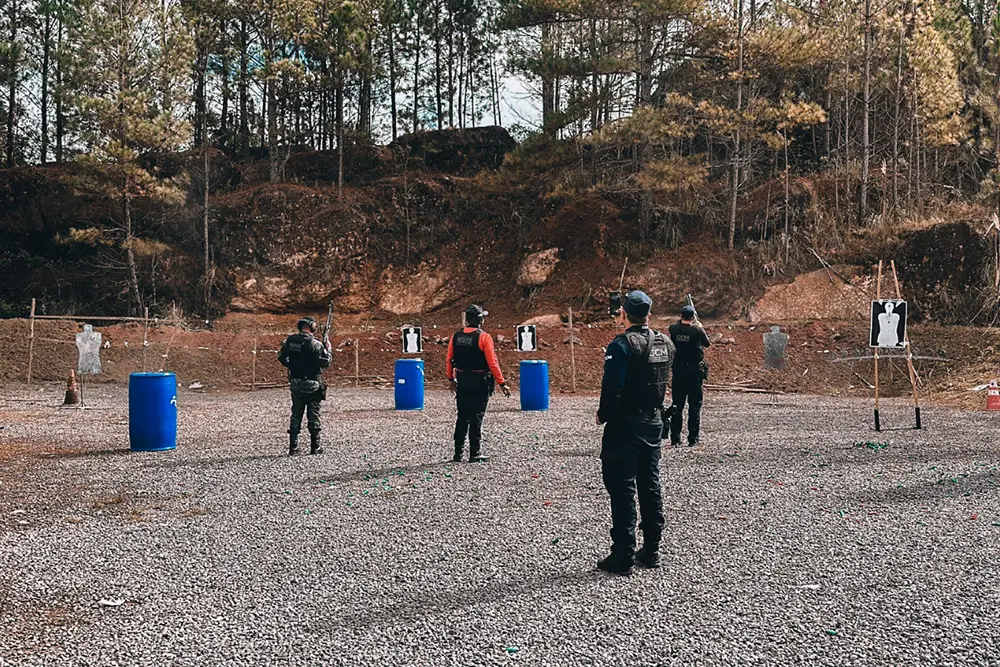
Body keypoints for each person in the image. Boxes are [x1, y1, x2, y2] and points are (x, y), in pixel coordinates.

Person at [596, 290, 675, 575]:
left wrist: (603, 415)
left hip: (626, 424)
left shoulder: (621, 346)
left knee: (622, 486)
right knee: (650, 483)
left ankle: (623, 555)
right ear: (648, 315)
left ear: (623, 314)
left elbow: (612, 388)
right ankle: (652, 549)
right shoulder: (665, 342)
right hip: (653, 421)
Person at [446, 305, 511, 463]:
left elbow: (449, 359)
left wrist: (450, 379)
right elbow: (492, 363)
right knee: (476, 417)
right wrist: (502, 383)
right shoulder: (484, 337)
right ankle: (474, 452)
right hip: (480, 381)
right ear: (480, 320)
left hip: (462, 380)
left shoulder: (456, 336)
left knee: (462, 417)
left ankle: (458, 453)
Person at [278, 316, 332, 456]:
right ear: (312, 327)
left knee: (296, 414)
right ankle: (315, 447)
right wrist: (329, 349)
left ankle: (293, 448)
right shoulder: (316, 344)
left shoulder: (290, 341)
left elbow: (282, 357)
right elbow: (326, 362)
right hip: (312, 382)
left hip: (295, 382)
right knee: (313, 415)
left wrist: (292, 366)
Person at [669, 304, 710, 447]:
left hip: (678, 371)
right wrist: (699, 326)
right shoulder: (697, 330)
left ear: (681, 316)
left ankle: (675, 438)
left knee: (677, 405)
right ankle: (693, 439)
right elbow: (707, 343)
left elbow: (676, 332)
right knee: (694, 406)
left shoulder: (673, 329)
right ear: (693, 317)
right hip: (694, 372)